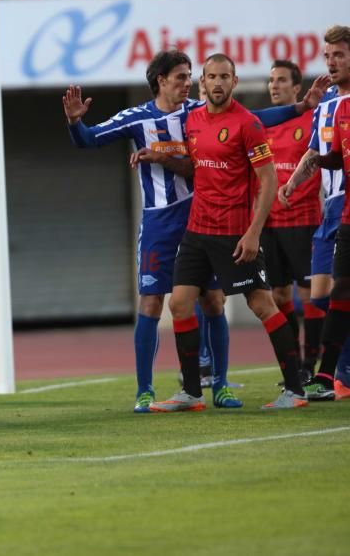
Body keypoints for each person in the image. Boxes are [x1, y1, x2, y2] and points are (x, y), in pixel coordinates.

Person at [64, 51, 324, 413]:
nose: (192, 84)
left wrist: (299, 109)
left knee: (231, 302)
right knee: (166, 302)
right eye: (187, 77)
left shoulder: (217, 117)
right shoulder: (163, 118)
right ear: (162, 80)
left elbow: (256, 125)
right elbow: (92, 140)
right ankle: (162, 390)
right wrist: (77, 124)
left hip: (222, 225)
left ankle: (239, 384)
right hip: (175, 227)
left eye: (193, 77)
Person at [150, 54, 306, 411]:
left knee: (261, 305)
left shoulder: (247, 124)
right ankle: (191, 392)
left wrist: (253, 233)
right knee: (179, 304)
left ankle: (295, 390)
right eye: (211, 77)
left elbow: (268, 181)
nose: (217, 83)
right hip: (197, 231)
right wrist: (159, 157)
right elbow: (196, 166)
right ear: (201, 83)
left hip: (234, 233)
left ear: (234, 82)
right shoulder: (192, 120)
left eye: (224, 76)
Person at [282, 25, 350, 400]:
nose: (331, 62)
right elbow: (315, 153)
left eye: (338, 55)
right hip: (333, 209)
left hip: (347, 207)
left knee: (338, 290)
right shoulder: (324, 107)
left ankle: (338, 373)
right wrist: (293, 182)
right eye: (327, 56)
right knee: (321, 295)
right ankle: (338, 371)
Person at [261, 60, 322, 385]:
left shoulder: (311, 118)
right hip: (269, 223)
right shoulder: (262, 123)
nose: (274, 85)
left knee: (310, 294)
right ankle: (295, 363)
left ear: (297, 87)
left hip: (304, 220)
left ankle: (311, 364)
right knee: (280, 296)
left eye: (282, 80)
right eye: (271, 80)